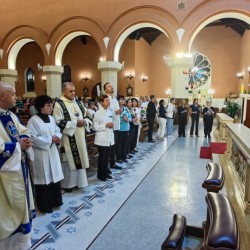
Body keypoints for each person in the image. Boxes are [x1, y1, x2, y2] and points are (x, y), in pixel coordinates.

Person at [0, 82, 36, 250]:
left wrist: (26, 139)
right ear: (2, 96)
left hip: (19, 170)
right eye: (13, 94)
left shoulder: (11, 115)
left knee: (20, 204)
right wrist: (18, 146)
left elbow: (23, 130)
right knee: (7, 210)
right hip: (5, 177)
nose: (16, 97)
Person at [27, 95, 64, 214]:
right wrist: (50, 139)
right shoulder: (33, 120)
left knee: (54, 177)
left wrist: (57, 137)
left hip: (52, 151)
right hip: (41, 154)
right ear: (40, 107)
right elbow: (32, 137)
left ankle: (55, 201)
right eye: (48, 105)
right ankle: (44, 205)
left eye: (51, 105)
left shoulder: (51, 118)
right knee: (44, 180)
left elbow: (57, 130)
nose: (51, 107)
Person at [53, 82, 91, 193]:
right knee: (68, 161)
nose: (73, 93)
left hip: (80, 137)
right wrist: (75, 124)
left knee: (81, 158)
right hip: (68, 138)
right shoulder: (59, 104)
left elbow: (88, 114)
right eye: (70, 91)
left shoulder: (78, 103)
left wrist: (86, 121)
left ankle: (80, 183)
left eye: (74, 91)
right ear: (63, 91)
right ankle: (68, 184)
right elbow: (58, 121)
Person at [93, 94, 114, 182]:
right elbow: (94, 127)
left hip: (109, 138)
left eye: (108, 100)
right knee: (102, 158)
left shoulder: (109, 111)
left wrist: (111, 125)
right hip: (101, 139)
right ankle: (100, 175)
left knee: (107, 158)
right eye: (106, 100)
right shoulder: (98, 113)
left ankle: (105, 172)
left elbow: (111, 122)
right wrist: (105, 125)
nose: (108, 102)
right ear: (101, 102)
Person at [104, 82, 123, 170]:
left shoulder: (115, 99)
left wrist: (119, 111)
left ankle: (113, 162)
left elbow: (116, 110)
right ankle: (111, 163)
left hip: (116, 125)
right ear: (105, 90)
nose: (111, 87)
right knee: (110, 145)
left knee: (115, 145)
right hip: (110, 126)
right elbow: (106, 111)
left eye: (111, 86)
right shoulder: (105, 99)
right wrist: (115, 112)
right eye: (109, 86)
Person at [116, 95, 131, 163]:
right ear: (118, 101)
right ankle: (119, 158)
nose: (123, 101)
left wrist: (128, 119)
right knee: (119, 144)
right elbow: (115, 118)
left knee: (125, 143)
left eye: (123, 99)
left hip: (126, 128)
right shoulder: (116, 109)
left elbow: (130, 117)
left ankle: (124, 156)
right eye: (121, 99)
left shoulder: (126, 109)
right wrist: (122, 119)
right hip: (119, 129)